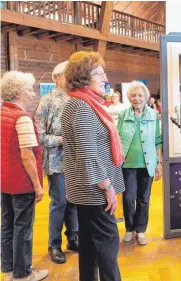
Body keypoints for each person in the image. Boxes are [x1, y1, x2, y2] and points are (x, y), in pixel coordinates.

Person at [61, 51, 125, 281]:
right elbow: (89, 154)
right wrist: (107, 187)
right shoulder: (82, 107)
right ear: (84, 76)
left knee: (89, 244)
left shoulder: (82, 103)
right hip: (94, 190)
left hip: (87, 189)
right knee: (108, 243)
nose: (105, 77)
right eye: (99, 72)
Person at [1, 71, 48, 281]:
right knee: (23, 229)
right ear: (18, 93)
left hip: (5, 181)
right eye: (29, 89)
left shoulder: (2, 113)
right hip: (21, 183)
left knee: (7, 224)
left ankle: (9, 269)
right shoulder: (22, 118)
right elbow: (27, 155)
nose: (32, 93)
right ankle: (22, 274)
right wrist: (37, 186)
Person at [35, 61, 79, 264]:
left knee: (74, 201)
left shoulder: (77, 99)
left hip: (76, 160)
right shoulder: (47, 101)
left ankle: (73, 237)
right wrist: (61, 140)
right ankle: (54, 244)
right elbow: (39, 135)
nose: (71, 78)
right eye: (67, 74)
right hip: (55, 161)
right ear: (57, 77)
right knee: (60, 202)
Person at [117, 81, 163, 246]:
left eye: (140, 95)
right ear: (129, 97)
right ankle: (129, 228)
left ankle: (141, 230)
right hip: (127, 164)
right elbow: (116, 139)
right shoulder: (123, 115)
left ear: (146, 97)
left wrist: (159, 163)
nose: (137, 98)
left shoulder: (154, 115)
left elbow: (158, 140)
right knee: (129, 198)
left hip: (148, 163)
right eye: (134, 95)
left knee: (144, 198)